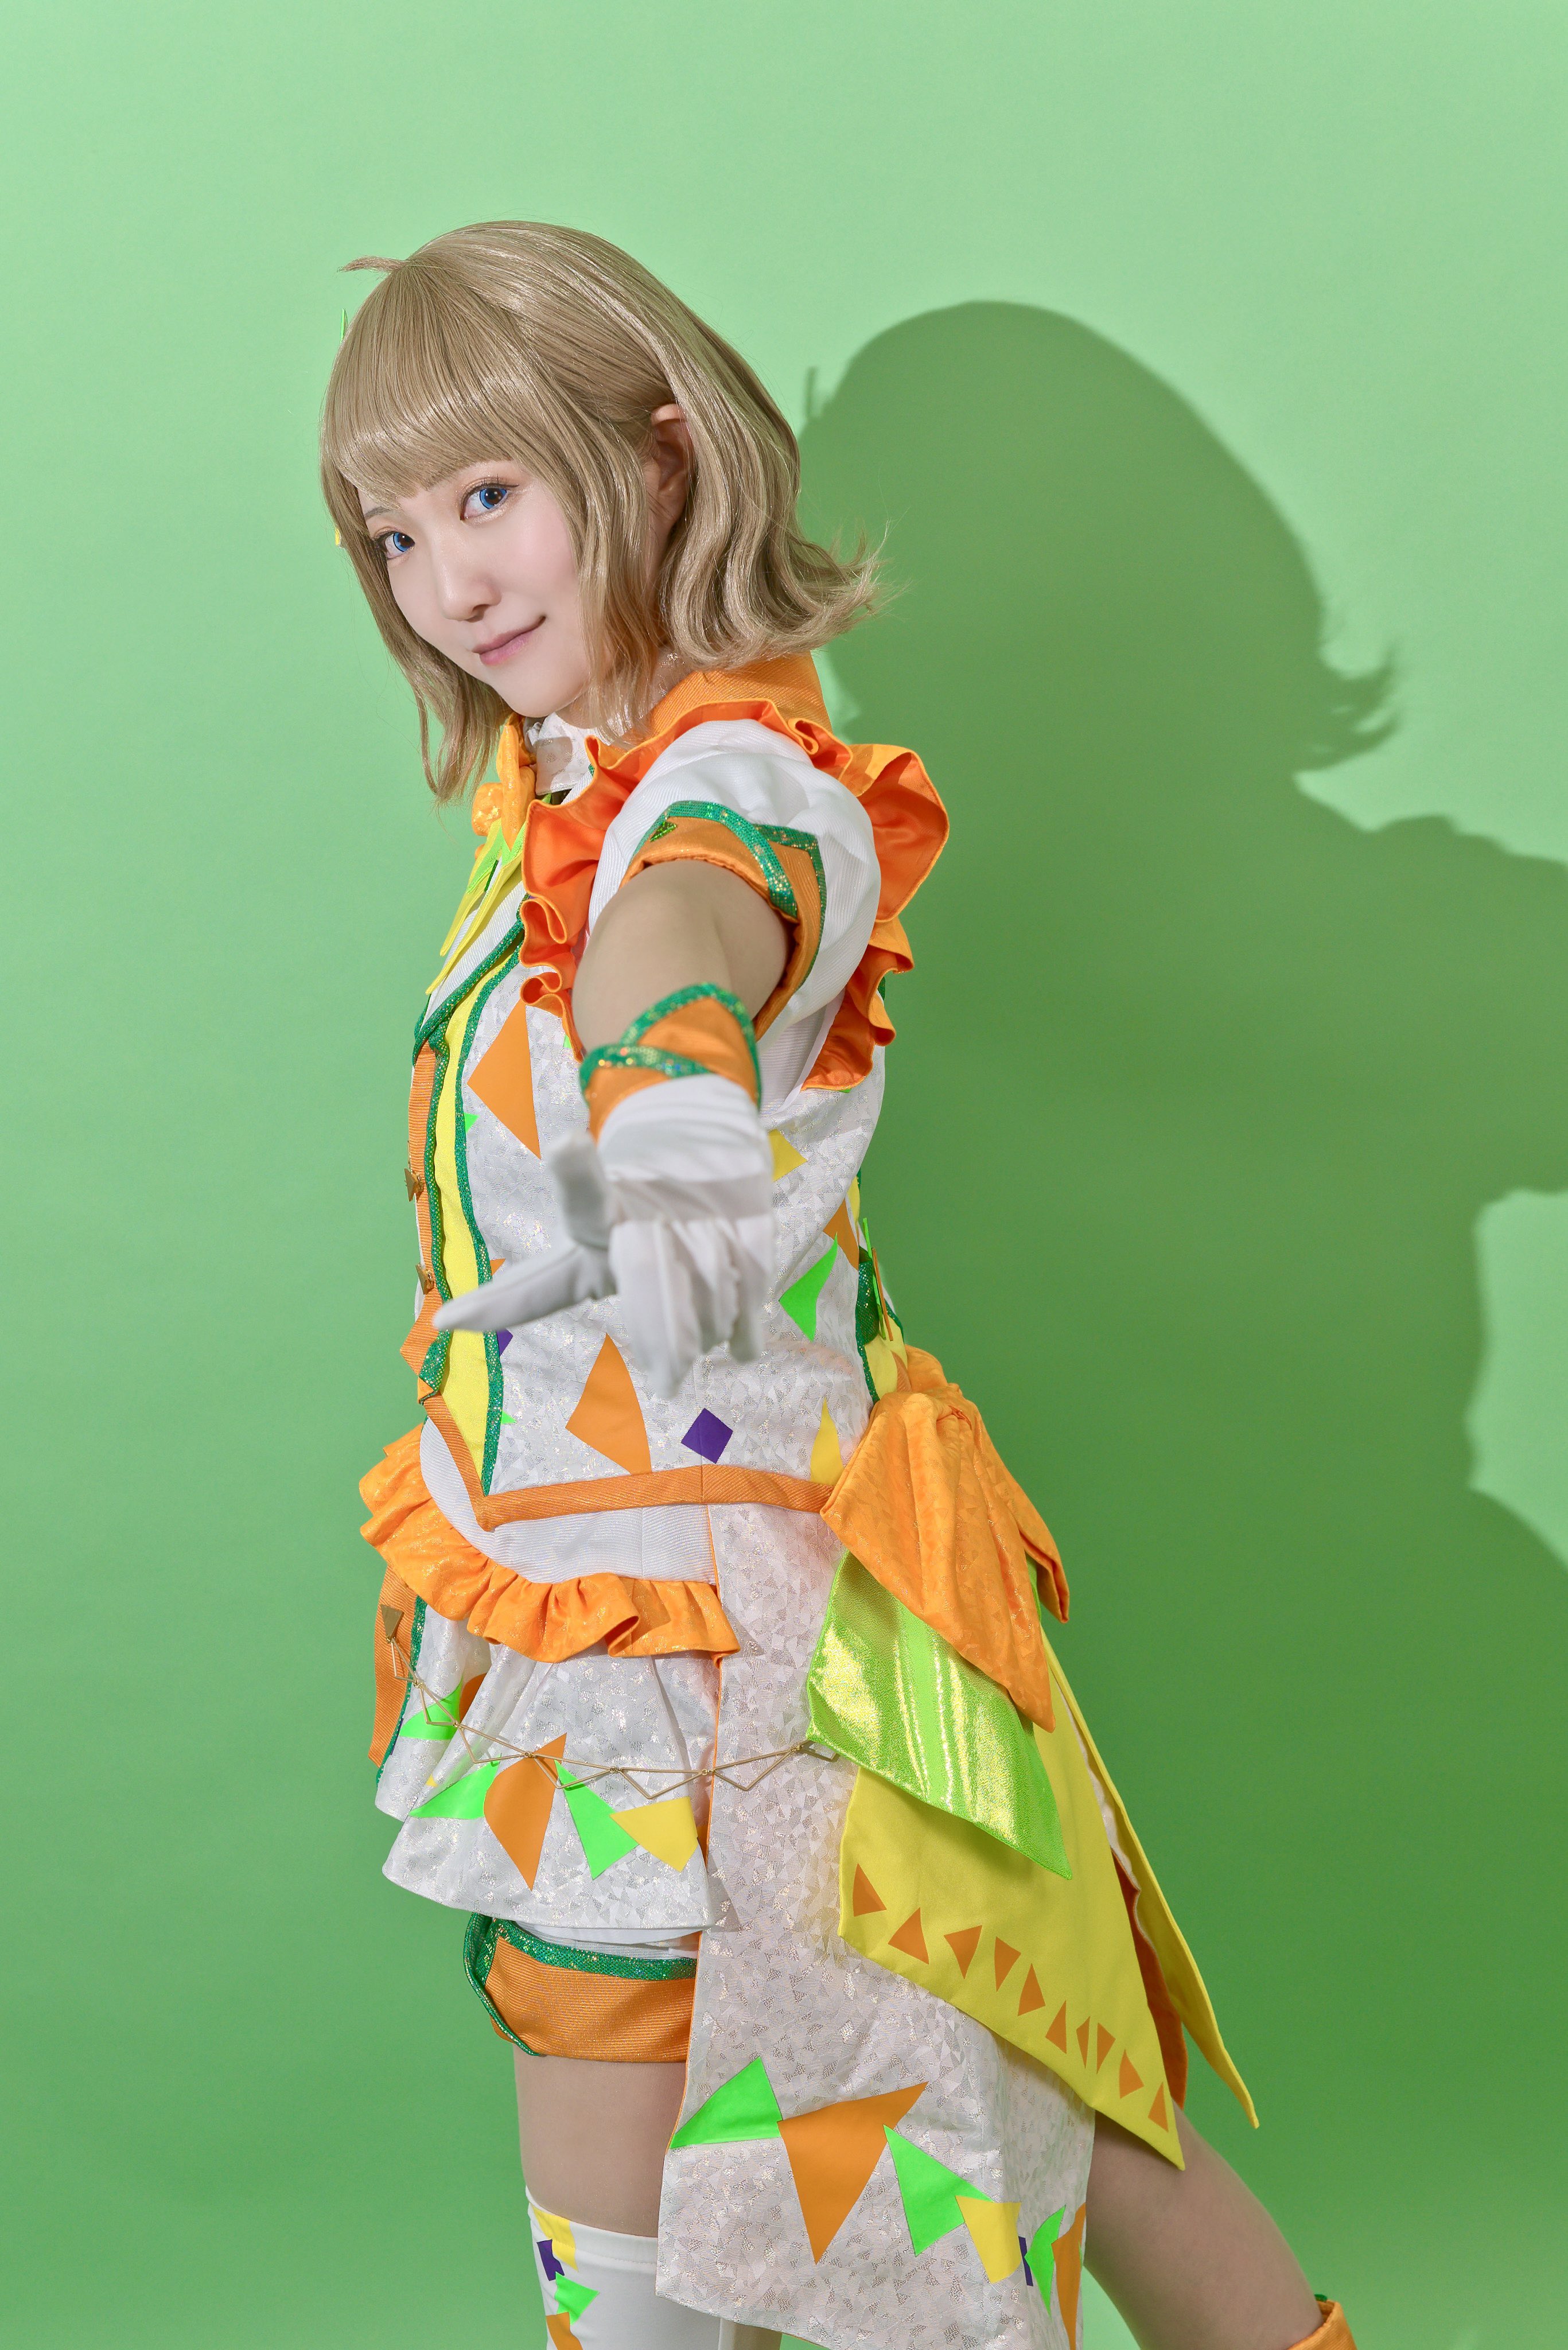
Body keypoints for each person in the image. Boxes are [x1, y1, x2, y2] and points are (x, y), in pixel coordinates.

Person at [324, 221, 1353, 2350]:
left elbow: (687, 923)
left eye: (490, 494)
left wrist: (666, 1085)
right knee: (1046, 2075)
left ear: (661, 459)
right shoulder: (570, 782)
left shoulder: (734, 782)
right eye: (396, 531)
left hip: (720, 1625)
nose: (449, 582)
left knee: (868, 2066)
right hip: (718, 1572)